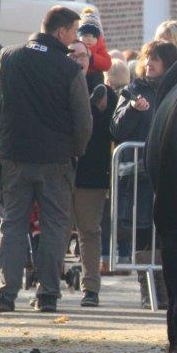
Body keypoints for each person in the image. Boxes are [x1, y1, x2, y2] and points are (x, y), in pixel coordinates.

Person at [0, 6, 92, 312]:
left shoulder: (8, 58)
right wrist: (77, 149)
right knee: (53, 227)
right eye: (74, 31)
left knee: (12, 223)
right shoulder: (68, 70)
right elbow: (82, 119)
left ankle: (5, 292)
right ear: (62, 32)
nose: (75, 37)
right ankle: (48, 294)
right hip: (56, 159)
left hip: (15, 155)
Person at [110, 39, 177, 308]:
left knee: (167, 235)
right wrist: (131, 109)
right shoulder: (132, 90)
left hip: (171, 177)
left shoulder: (176, 91)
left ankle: (168, 292)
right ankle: (148, 293)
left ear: (168, 63)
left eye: (156, 59)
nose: (149, 63)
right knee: (142, 235)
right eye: (148, 58)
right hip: (138, 176)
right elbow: (117, 130)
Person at [68, 40, 118, 306]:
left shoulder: (105, 91)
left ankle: (91, 289)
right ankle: (48, 287)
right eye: (71, 53)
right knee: (57, 231)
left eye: (82, 55)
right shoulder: (57, 84)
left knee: (89, 231)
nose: (77, 59)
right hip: (61, 169)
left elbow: (114, 130)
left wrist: (102, 109)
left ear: (90, 59)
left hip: (91, 172)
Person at [77, 7, 112, 76]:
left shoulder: (100, 47)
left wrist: (92, 57)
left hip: (94, 76)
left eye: (93, 36)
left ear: (97, 38)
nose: (89, 39)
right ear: (79, 36)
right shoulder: (75, 46)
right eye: (86, 35)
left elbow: (107, 64)